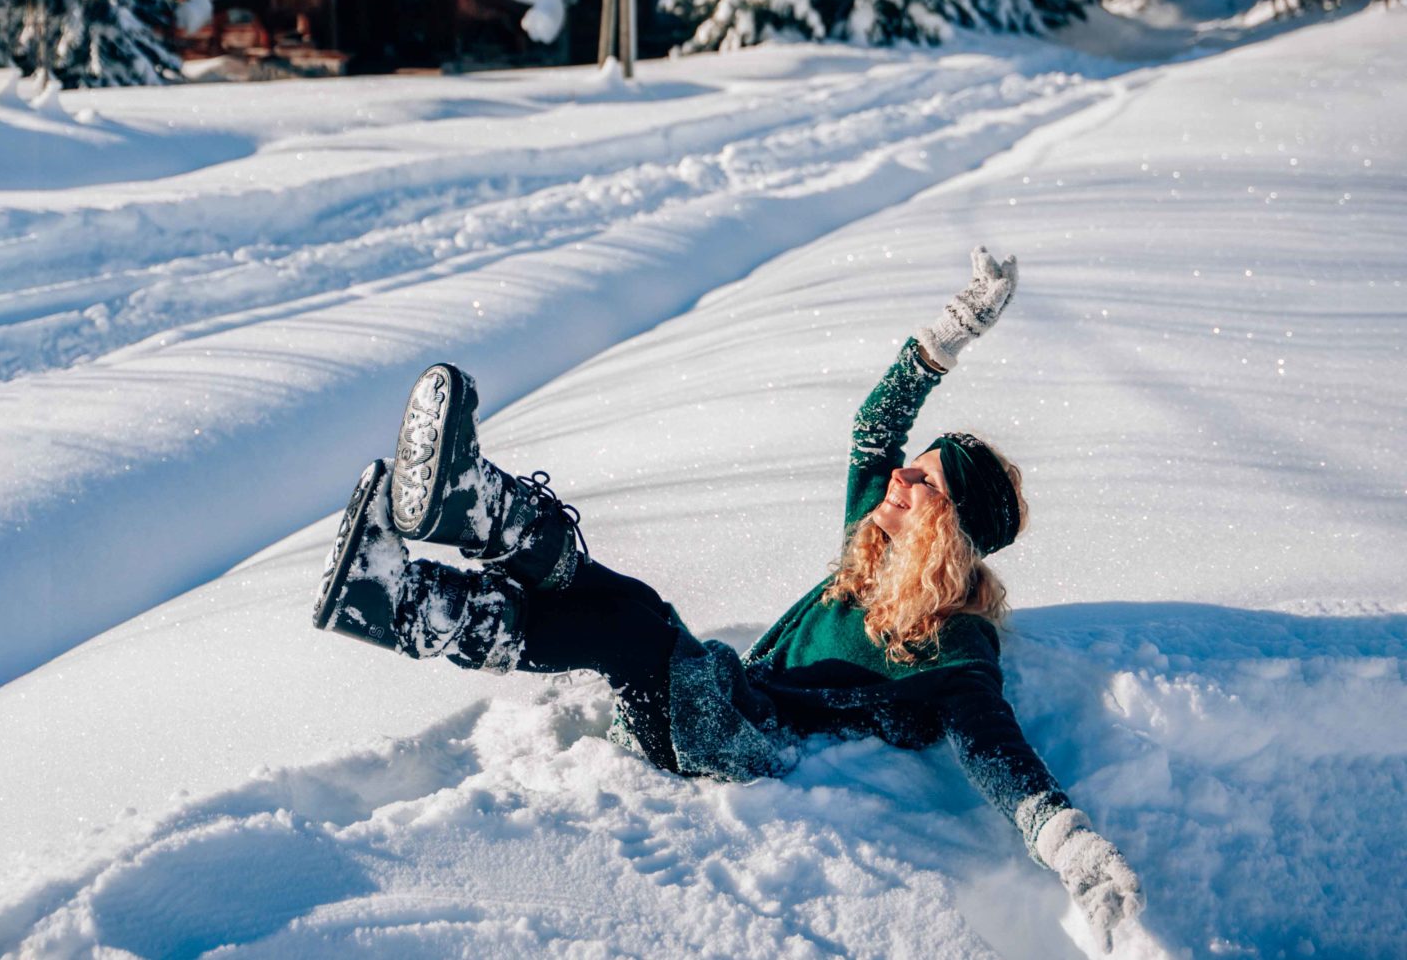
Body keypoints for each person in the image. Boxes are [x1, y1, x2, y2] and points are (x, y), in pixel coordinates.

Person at [313, 248, 1144, 950]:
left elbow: (999, 752)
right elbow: (873, 424)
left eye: (922, 480)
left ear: (950, 527)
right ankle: (422, 563)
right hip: (727, 697)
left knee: (635, 628)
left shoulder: (954, 644)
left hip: (748, 744)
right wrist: (952, 332)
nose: (898, 474)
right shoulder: (876, 538)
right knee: (630, 613)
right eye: (912, 465)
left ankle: (433, 564)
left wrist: (1072, 848)